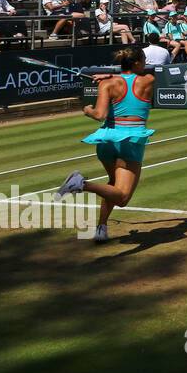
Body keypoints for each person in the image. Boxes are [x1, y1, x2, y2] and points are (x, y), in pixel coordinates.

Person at [56, 46, 156, 243]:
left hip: (106, 141)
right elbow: (139, 76)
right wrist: (90, 107)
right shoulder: (148, 80)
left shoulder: (107, 84)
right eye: (143, 59)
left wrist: (88, 109)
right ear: (136, 63)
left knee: (113, 184)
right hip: (131, 141)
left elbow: (99, 115)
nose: (145, 62)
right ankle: (81, 184)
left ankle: (101, 227)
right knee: (122, 198)